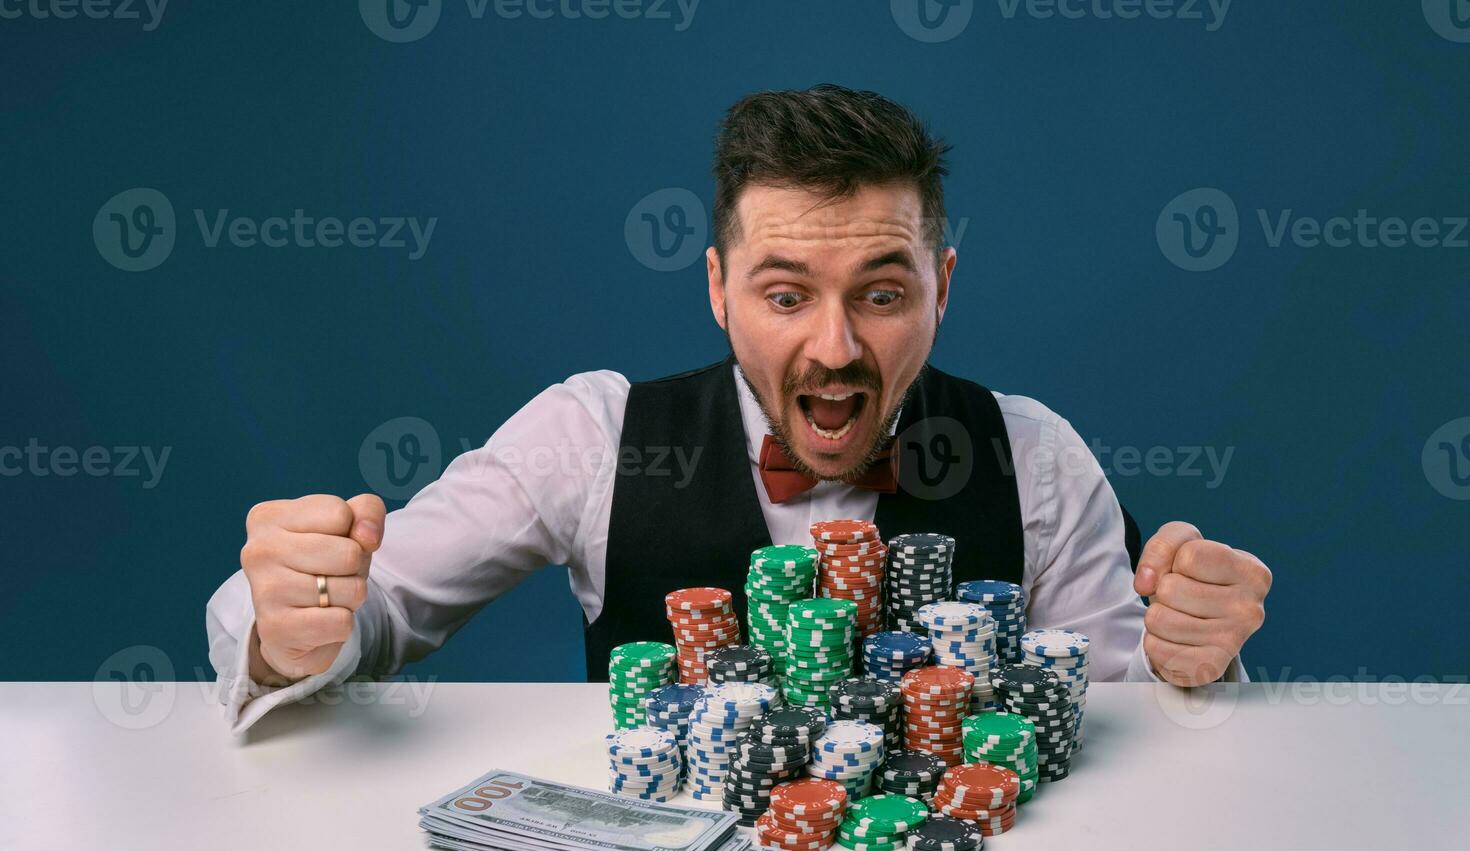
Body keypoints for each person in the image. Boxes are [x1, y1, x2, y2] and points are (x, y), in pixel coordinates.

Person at [207, 84, 1271, 734]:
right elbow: (373, 612)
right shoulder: (595, 436)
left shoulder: (1034, 455)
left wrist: (1199, 663)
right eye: (785, 292)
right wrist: (292, 633)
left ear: (945, 284)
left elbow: (1134, 728)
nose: (837, 344)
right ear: (716, 288)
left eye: (884, 293)